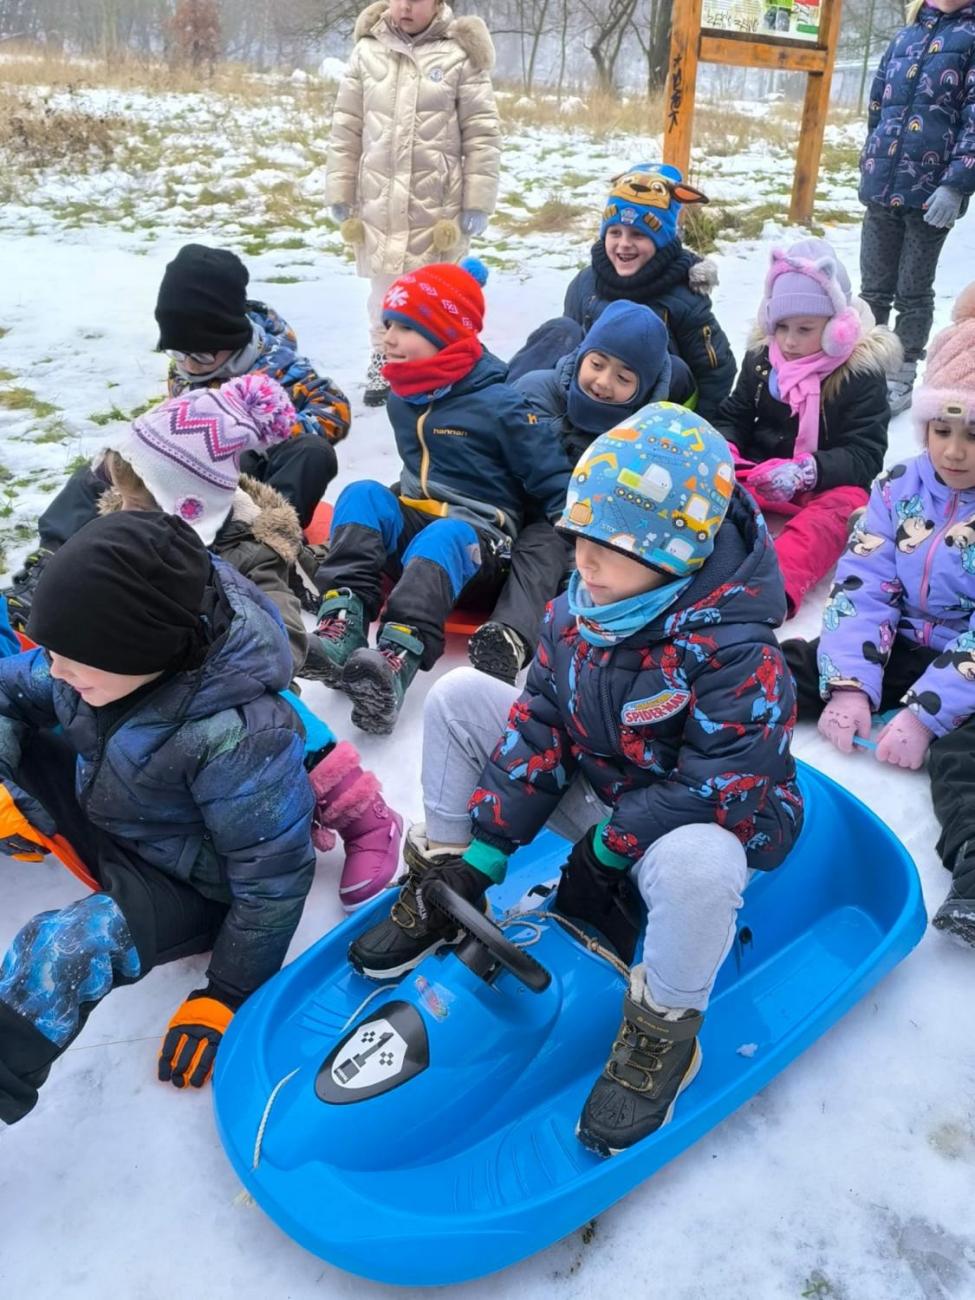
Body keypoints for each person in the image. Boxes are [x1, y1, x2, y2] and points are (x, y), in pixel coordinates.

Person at [349, 403, 803, 1156]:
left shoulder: (737, 654)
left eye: (604, 546)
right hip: (603, 789)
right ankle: (447, 880)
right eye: (579, 537)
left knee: (702, 864)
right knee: (462, 696)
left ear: (671, 555)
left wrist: (610, 847)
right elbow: (540, 727)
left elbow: (722, 787)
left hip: (700, 822)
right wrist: (489, 849)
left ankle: (663, 1030)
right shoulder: (576, 611)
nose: (580, 559)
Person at [0, 512, 318, 1124]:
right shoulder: (94, 667)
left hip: (187, 880)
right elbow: (13, 689)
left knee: (60, 951)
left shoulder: (241, 737)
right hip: (117, 805)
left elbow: (272, 881)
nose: (55, 668)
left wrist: (226, 993)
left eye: (73, 658)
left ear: (143, 650)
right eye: (53, 652)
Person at [2, 244, 350, 629]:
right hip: (181, 482)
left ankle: (264, 553)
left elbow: (335, 410)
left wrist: (258, 432)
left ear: (234, 338)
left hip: (242, 484)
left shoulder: (278, 367)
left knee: (313, 453)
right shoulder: (186, 370)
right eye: (178, 354)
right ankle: (49, 565)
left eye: (200, 357)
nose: (187, 365)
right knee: (105, 467)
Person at [782, 282, 975, 948]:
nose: (952, 450)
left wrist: (924, 713)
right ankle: (691, 724)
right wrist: (848, 683)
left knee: (965, 759)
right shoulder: (898, 488)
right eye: (939, 428)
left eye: (972, 432)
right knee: (785, 665)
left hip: (967, 666)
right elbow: (863, 584)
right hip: (896, 641)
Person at [311, 259, 569, 734]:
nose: (387, 337)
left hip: (480, 551)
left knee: (445, 533)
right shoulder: (402, 395)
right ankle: (343, 619)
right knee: (362, 493)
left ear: (447, 334)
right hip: (419, 533)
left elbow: (553, 482)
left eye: (405, 327)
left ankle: (394, 660)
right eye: (387, 323)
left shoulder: (502, 405)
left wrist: (572, 547)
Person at [468, 300, 696, 682]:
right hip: (505, 512)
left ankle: (521, 638)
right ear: (581, 356)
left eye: (624, 379)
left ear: (646, 388)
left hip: (573, 531)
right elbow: (513, 461)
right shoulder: (535, 392)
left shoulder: (647, 433)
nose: (604, 383)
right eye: (597, 364)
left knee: (561, 555)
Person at [327, 0, 501, 406]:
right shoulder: (368, 51)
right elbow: (346, 127)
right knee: (385, 292)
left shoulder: (460, 55)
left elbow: (482, 134)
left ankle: (442, 361)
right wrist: (340, 189)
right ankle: (384, 358)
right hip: (380, 202)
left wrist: (477, 201)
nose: (406, 5)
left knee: (435, 291)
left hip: (436, 204)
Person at [713, 237, 898, 616]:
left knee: (842, 512)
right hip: (759, 473)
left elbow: (866, 453)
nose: (790, 341)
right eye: (781, 327)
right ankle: (702, 561)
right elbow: (734, 414)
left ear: (837, 327)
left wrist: (808, 471)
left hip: (825, 486)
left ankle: (771, 587)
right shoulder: (763, 360)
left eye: (805, 328)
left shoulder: (859, 374)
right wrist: (727, 448)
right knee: (712, 490)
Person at [506, 163, 736, 422]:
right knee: (561, 330)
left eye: (638, 234)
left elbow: (717, 371)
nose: (624, 244)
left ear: (661, 241)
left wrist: (700, 427)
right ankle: (506, 408)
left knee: (677, 368)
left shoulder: (683, 296)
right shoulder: (586, 283)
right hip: (591, 387)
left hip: (645, 408)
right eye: (615, 232)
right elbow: (568, 353)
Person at [858, 0, 975, 413]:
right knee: (873, 289)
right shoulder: (906, 34)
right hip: (882, 184)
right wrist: (871, 158)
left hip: (932, 193)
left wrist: (958, 185)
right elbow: (878, 106)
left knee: (912, 290)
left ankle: (900, 374)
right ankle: (865, 366)